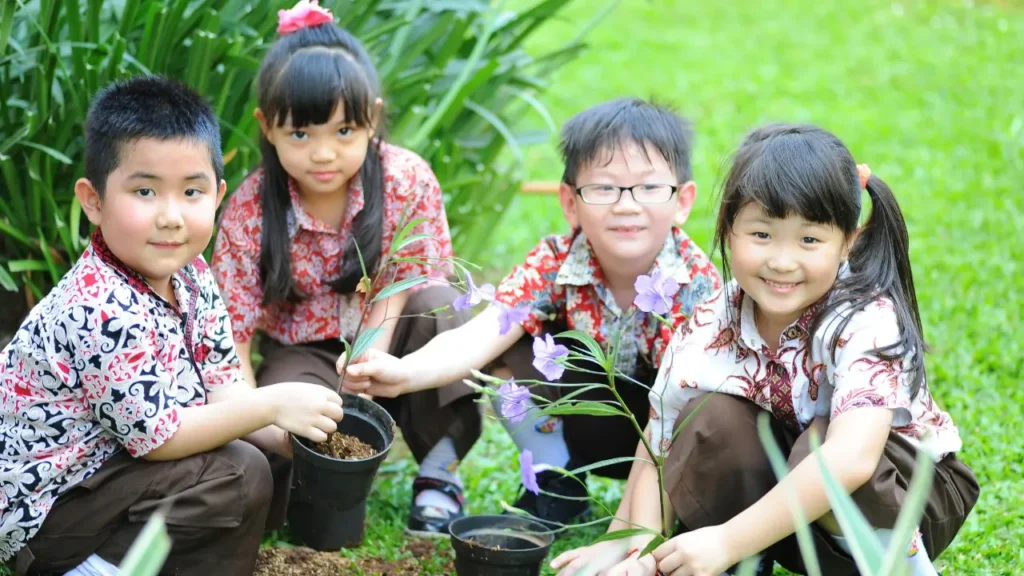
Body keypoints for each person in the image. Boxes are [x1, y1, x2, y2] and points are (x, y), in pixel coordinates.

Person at [552, 124, 979, 576]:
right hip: (795, 515)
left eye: (809, 240)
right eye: (761, 235)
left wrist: (725, 542)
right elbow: (658, 441)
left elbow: (851, 459)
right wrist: (635, 550)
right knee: (708, 418)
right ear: (728, 230)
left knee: (819, 444)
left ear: (847, 244)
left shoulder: (865, 317)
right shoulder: (711, 320)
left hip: (911, 497)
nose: (782, 261)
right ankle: (747, 561)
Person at [0, 76, 343, 576]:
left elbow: (222, 380)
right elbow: (159, 438)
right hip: (51, 512)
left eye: (191, 192)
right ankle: (91, 570)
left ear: (217, 195)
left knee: (258, 456)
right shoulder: (97, 305)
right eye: (144, 191)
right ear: (93, 200)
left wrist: (285, 433)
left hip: (115, 474)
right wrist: (271, 404)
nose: (171, 217)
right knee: (237, 472)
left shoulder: (192, 273)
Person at [340, 97, 721, 525]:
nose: (626, 205)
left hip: (667, 435)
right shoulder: (555, 261)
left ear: (683, 200)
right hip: (583, 422)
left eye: (649, 188)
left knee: (704, 406)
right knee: (507, 339)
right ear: (570, 202)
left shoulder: (696, 283)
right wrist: (403, 372)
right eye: (604, 188)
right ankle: (556, 482)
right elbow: (479, 335)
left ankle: (679, 506)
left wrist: (634, 524)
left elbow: (683, 406)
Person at [210, 0, 479, 537]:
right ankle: (320, 484)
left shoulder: (406, 179)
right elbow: (233, 332)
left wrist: (370, 358)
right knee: (295, 431)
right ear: (267, 127)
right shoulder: (250, 208)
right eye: (301, 134)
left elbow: (406, 276)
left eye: (344, 132)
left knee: (440, 307)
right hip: (303, 349)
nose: (323, 154)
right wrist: (255, 418)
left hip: (396, 330)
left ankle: (439, 470)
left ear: (372, 119)